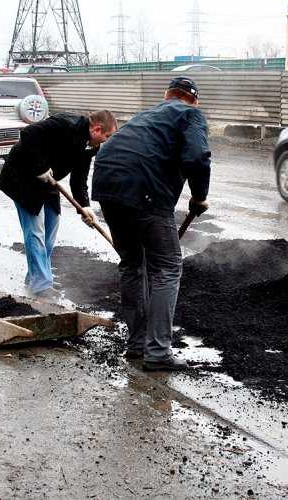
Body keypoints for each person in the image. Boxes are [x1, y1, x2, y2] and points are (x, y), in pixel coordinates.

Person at [91, 76, 211, 372]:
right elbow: (197, 157)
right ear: (193, 100)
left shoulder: (146, 115)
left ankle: (136, 344)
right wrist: (199, 197)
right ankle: (157, 352)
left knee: (132, 264)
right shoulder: (191, 114)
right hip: (144, 189)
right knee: (168, 267)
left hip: (107, 185)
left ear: (166, 95)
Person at [0, 111, 117, 296]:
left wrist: (84, 206)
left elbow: (79, 179)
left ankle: (35, 279)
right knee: (35, 231)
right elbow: (28, 133)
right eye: (107, 136)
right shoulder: (64, 124)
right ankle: (41, 285)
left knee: (50, 230)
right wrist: (40, 166)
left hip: (47, 182)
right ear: (97, 129)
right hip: (22, 178)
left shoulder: (91, 146)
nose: (106, 141)